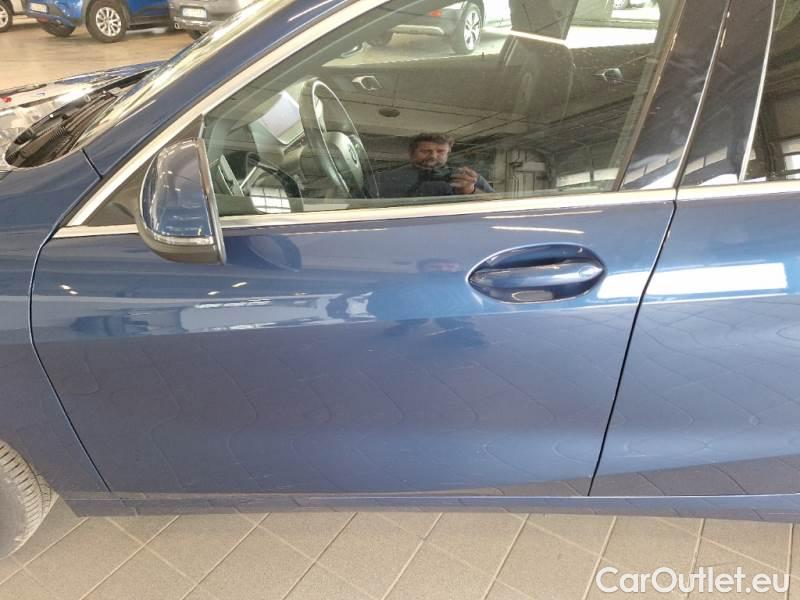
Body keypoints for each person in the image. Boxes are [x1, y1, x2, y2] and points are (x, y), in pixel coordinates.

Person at [371, 133, 494, 199]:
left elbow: (495, 207)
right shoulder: (383, 179)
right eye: (425, 151)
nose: (433, 156)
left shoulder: (467, 178)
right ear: (411, 153)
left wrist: (470, 191)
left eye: (440, 151)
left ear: (448, 153)